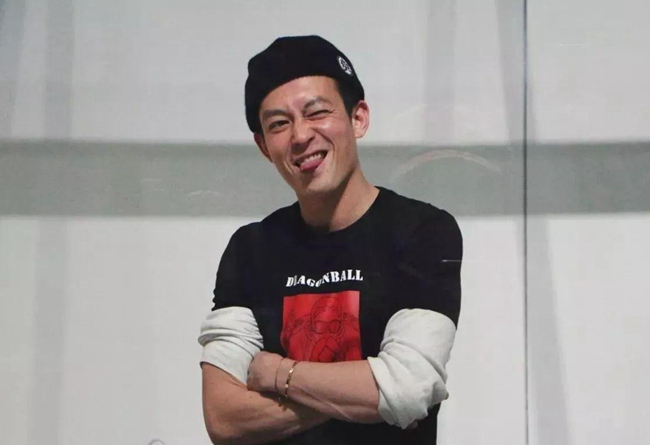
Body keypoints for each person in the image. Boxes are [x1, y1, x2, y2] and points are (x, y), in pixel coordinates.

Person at [198, 35, 463, 445]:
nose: (300, 135)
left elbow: (408, 388)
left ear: (358, 118)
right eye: (279, 124)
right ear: (264, 146)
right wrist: (372, 396)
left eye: (317, 112)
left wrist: (277, 374)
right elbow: (224, 417)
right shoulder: (250, 250)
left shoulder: (422, 231)